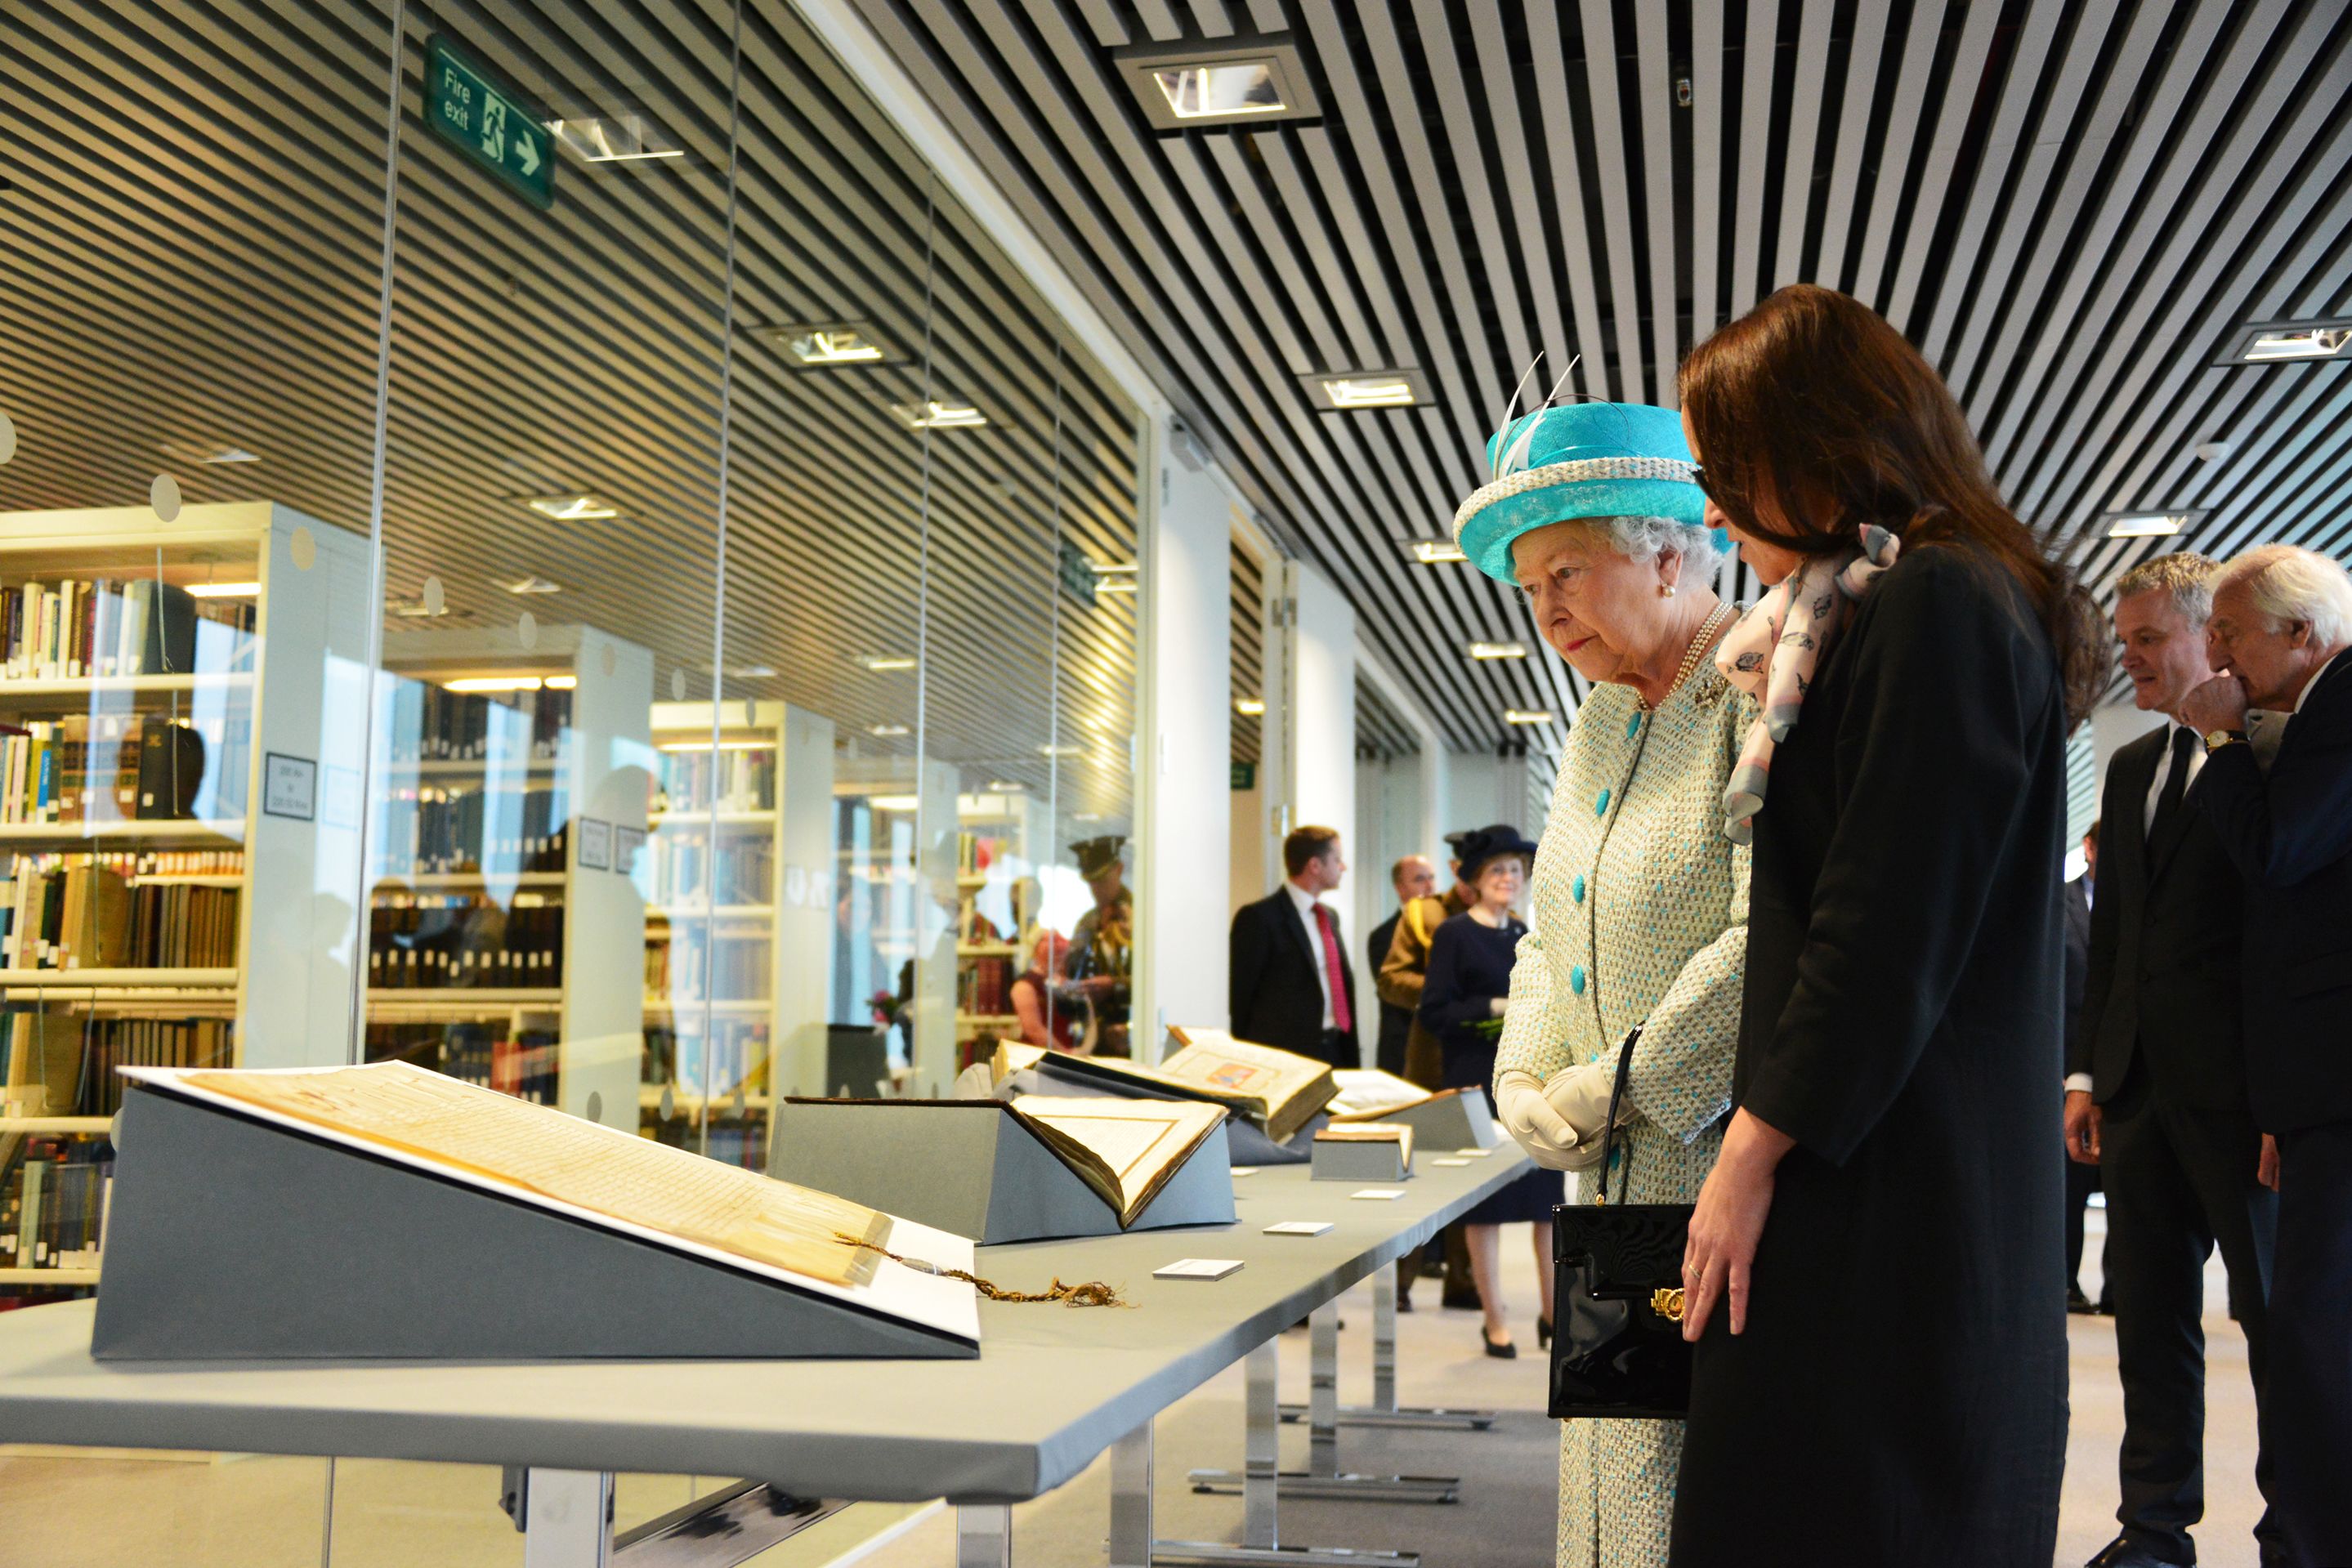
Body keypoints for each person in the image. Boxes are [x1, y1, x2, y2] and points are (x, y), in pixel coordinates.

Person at [1669, 284, 2105, 1565]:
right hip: (1881, 1152)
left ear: (1813, 443)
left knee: (1847, 1508)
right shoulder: (1887, 601)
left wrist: (1745, 1153)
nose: (1713, 510)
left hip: (1887, 1178)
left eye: (1723, 469)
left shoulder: (1939, 599)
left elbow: (1881, 923)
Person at [1447, 392, 1753, 1568]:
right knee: (1611, 1452)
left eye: (1566, 571)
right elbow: (1548, 929)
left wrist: (1620, 1080)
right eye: (1529, 584)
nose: (1544, 607)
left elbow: (1765, 938)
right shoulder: (1596, 718)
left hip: (1714, 1167)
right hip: (1606, 1175)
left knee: (1686, 1477)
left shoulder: (1752, 690)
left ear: (1668, 552)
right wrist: (1524, 1071)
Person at [2069, 553, 2278, 1568]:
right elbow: (2115, 934)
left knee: (2275, 1321)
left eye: (2149, 639)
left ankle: (2297, 1530)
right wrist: (2085, 1072)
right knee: (2149, 1323)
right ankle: (2152, 1532)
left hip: (2244, 1097)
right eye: (2125, 640)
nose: (2131, 658)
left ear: (2211, 638)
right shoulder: (2131, 767)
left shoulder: (2276, 754)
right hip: (2136, 1092)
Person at [2179, 543, 2352, 1567]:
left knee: (2314, 1336)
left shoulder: (2344, 701)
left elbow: (2279, 850)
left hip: (2339, 1084)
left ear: (2304, 632)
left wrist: (2217, 739)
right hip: (2319, 1088)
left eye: (2231, 632)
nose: (2218, 656)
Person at [1417, 826, 1558, 1359]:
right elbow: (1434, 1012)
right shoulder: (1453, 934)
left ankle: (1553, 1316)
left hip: (1527, 1077)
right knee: (1487, 1210)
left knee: (1546, 1204)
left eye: (1516, 870)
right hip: (1474, 1078)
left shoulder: (1522, 932)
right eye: (1498, 870)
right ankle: (1495, 1321)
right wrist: (1493, 1008)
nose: (1509, 878)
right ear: (1476, 879)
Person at [1380, 830, 1496, 1311]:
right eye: (1475, 871)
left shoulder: (1500, 918)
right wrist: (1442, 989)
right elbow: (1391, 978)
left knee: (1472, 1174)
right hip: (1431, 1060)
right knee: (1421, 1173)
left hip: (1480, 1059)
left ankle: (1462, 1281)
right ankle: (1399, 1283)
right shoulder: (1424, 914)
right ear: (1457, 871)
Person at [1227, 826, 1357, 1069]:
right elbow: (1241, 997)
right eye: (1337, 860)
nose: (1343, 867)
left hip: (1333, 1047)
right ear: (1314, 865)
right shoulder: (1259, 918)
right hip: (1285, 1056)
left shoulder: (1329, 917)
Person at [2063, 820, 2110, 1317]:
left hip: (2126, 1064)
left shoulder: (2141, 903)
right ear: (2089, 848)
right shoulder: (2058, 903)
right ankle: (2064, 1282)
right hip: (2068, 1064)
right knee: (2071, 1181)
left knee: (2129, 1182)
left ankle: (2122, 1289)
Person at [1367, 855, 1434, 1077]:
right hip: (1402, 1046)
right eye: (1420, 879)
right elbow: (1394, 991)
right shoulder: (1383, 936)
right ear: (1400, 888)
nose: (1430, 886)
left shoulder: (1448, 927)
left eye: (1432, 877)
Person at [1066, 836, 1132, 1057]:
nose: (1096, 889)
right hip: (1093, 1040)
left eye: (1102, 880)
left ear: (1119, 869)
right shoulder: (1088, 922)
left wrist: (1115, 985)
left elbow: (1159, 981)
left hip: (1130, 1039)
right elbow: (1073, 970)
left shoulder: (1140, 918)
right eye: (1091, 882)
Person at [1008, 931, 1077, 1052]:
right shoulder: (1026, 985)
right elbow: (1034, 1030)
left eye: (1062, 941)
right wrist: (1066, 1056)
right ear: (1036, 948)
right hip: (1042, 1057)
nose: (1059, 946)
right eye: (1052, 941)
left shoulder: (1070, 980)